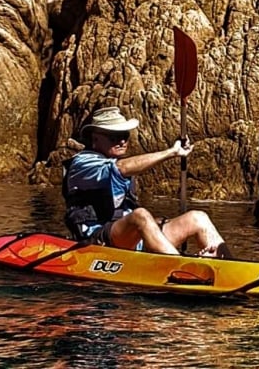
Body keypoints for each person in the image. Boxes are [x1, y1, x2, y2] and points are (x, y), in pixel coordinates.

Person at [63, 105, 232, 257]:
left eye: (124, 135)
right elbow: (120, 168)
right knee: (140, 215)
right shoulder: (82, 163)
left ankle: (228, 266)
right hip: (97, 238)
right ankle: (179, 265)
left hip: (132, 239)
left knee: (198, 218)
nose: (122, 141)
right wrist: (172, 152)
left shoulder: (117, 160)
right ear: (95, 138)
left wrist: (154, 224)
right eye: (113, 137)